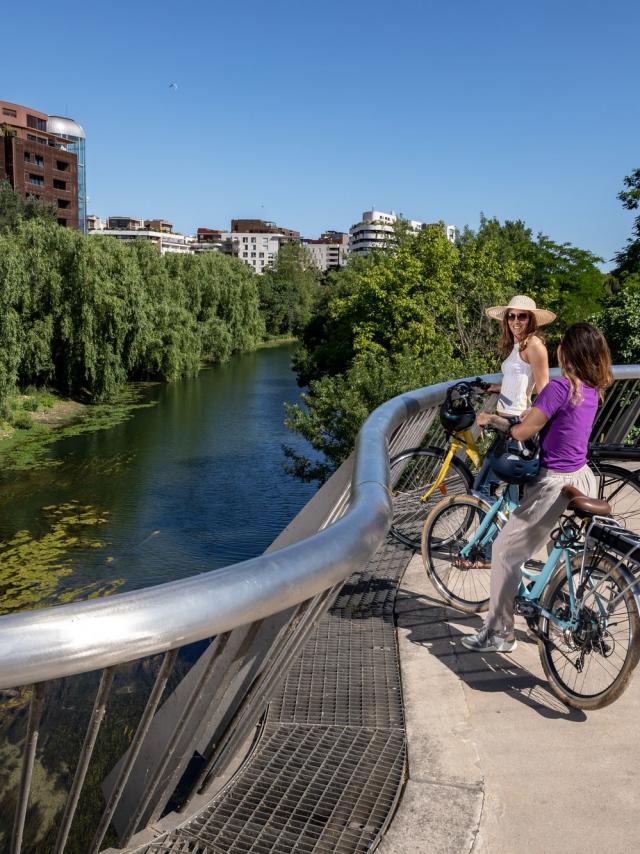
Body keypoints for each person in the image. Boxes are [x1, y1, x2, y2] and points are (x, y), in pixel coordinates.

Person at [462, 322, 613, 653]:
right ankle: (560, 607)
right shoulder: (592, 390)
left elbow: (523, 431)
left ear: (565, 353)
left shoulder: (559, 388)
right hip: (583, 478)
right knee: (563, 551)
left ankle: (499, 632)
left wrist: (504, 425)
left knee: (504, 551)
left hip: (554, 485)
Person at [473, 295, 555, 500]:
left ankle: (499, 532)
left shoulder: (534, 346)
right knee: (505, 490)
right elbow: (524, 383)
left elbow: (544, 388)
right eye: (511, 316)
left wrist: (533, 412)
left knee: (484, 487)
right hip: (506, 422)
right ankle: (507, 529)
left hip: (516, 423)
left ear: (531, 320)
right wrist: (497, 387)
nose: (515, 321)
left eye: (522, 317)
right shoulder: (519, 345)